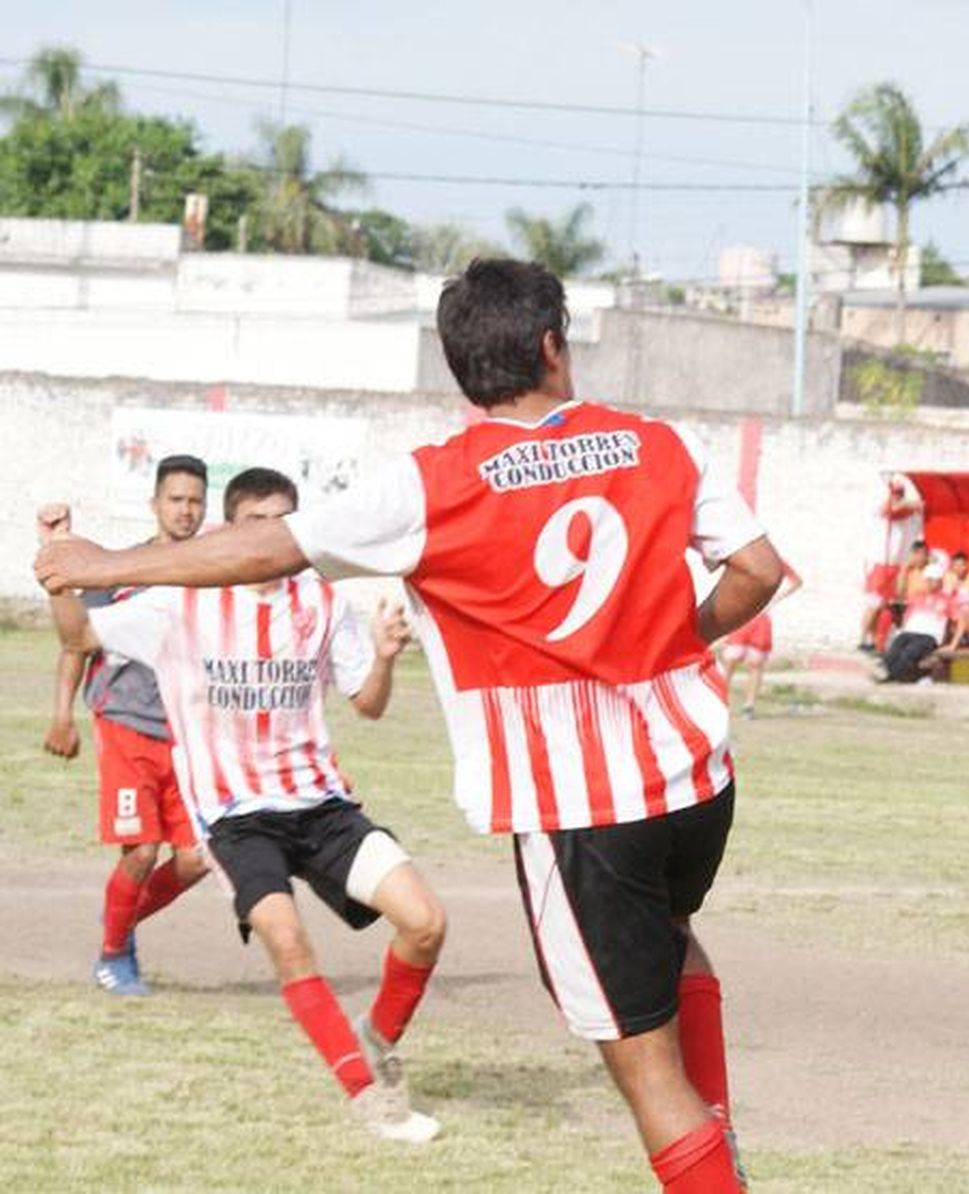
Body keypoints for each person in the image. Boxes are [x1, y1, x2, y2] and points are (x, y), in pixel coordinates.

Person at [36, 259, 785, 1193]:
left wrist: (109, 556)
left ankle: (712, 1161)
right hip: (699, 779)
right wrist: (672, 637)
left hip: (583, 809)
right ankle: (721, 1138)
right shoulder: (661, 445)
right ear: (554, 346)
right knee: (672, 938)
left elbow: (271, 545)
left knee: (644, 1066)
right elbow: (756, 572)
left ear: (464, 368)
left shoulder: (435, 485)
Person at [37, 468, 448, 1144]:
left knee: (427, 923)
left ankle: (378, 1038)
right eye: (256, 523)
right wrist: (58, 568)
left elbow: (368, 707)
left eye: (283, 521)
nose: (272, 535)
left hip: (321, 806)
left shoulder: (320, 599)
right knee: (287, 940)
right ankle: (369, 1099)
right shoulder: (180, 603)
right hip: (234, 815)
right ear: (230, 530)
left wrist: (382, 658)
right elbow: (80, 638)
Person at [42, 453, 211, 996]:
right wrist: (62, 714)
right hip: (125, 725)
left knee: (199, 857)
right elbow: (77, 642)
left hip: (189, 736)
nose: (185, 510)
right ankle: (114, 957)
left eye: (195, 501)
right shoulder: (118, 571)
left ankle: (121, 921)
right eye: (176, 499)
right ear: (155, 504)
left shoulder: (215, 574)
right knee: (142, 852)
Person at [719, 563, 803, 718]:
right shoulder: (742, 559)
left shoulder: (774, 560)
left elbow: (797, 581)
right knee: (730, 661)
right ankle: (719, 702)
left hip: (761, 619)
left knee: (755, 664)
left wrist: (775, 599)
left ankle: (749, 705)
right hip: (741, 617)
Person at [859, 477, 922, 652]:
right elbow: (889, 509)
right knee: (874, 603)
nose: (897, 497)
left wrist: (905, 503)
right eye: (895, 493)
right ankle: (864, 639)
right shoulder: (881, 510)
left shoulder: (909, 514)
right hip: (880, 561)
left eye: (900, 493)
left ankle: (879, 641)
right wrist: (898, 502)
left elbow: (920, 505)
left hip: (897, 564)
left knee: (890, 606)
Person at [881, 562, 953, 682]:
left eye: (932, 580)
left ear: (940, 581)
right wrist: (901, 630)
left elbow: (961, 622)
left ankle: (902, 676)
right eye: (927, 580)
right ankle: (897, 675)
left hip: (929, 635)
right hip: (909, 632)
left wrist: (953, 644)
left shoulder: (947, 600)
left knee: (908, 653)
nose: (929, 583)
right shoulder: (917, 596)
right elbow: (907, 615)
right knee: (892, 653)